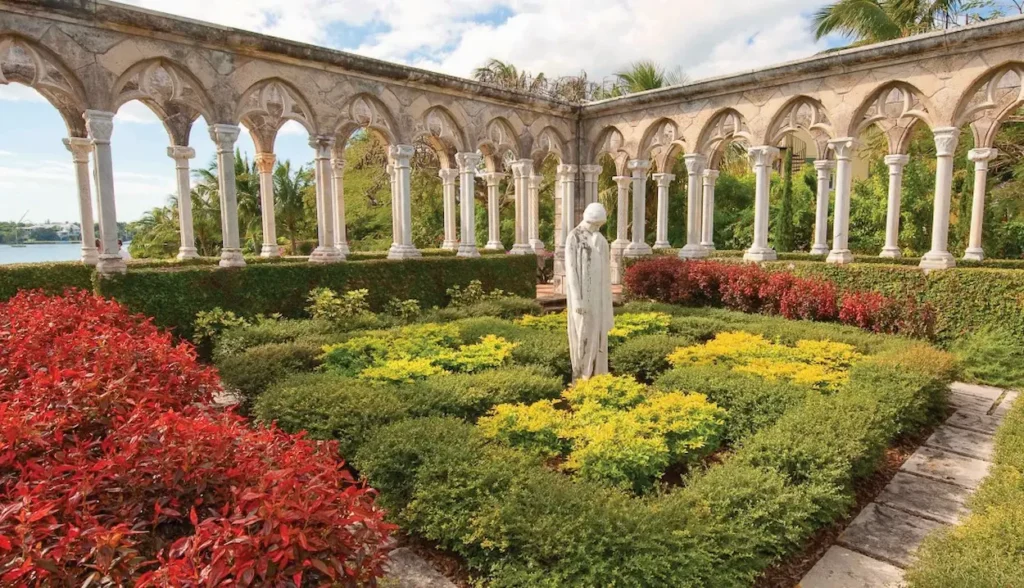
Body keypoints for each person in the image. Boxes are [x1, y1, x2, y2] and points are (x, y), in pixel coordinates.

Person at [564, 202, 613, 381]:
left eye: (599, 225)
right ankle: (582, 376)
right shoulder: (574, 237)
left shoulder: (600, 239)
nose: (597, 228)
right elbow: (571, 270)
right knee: (583, 335)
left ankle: (598, 375)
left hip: (598, 297)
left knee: (598, 335)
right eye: (596, 224)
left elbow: (605, 272)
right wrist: (577, 299)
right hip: (583, 298)